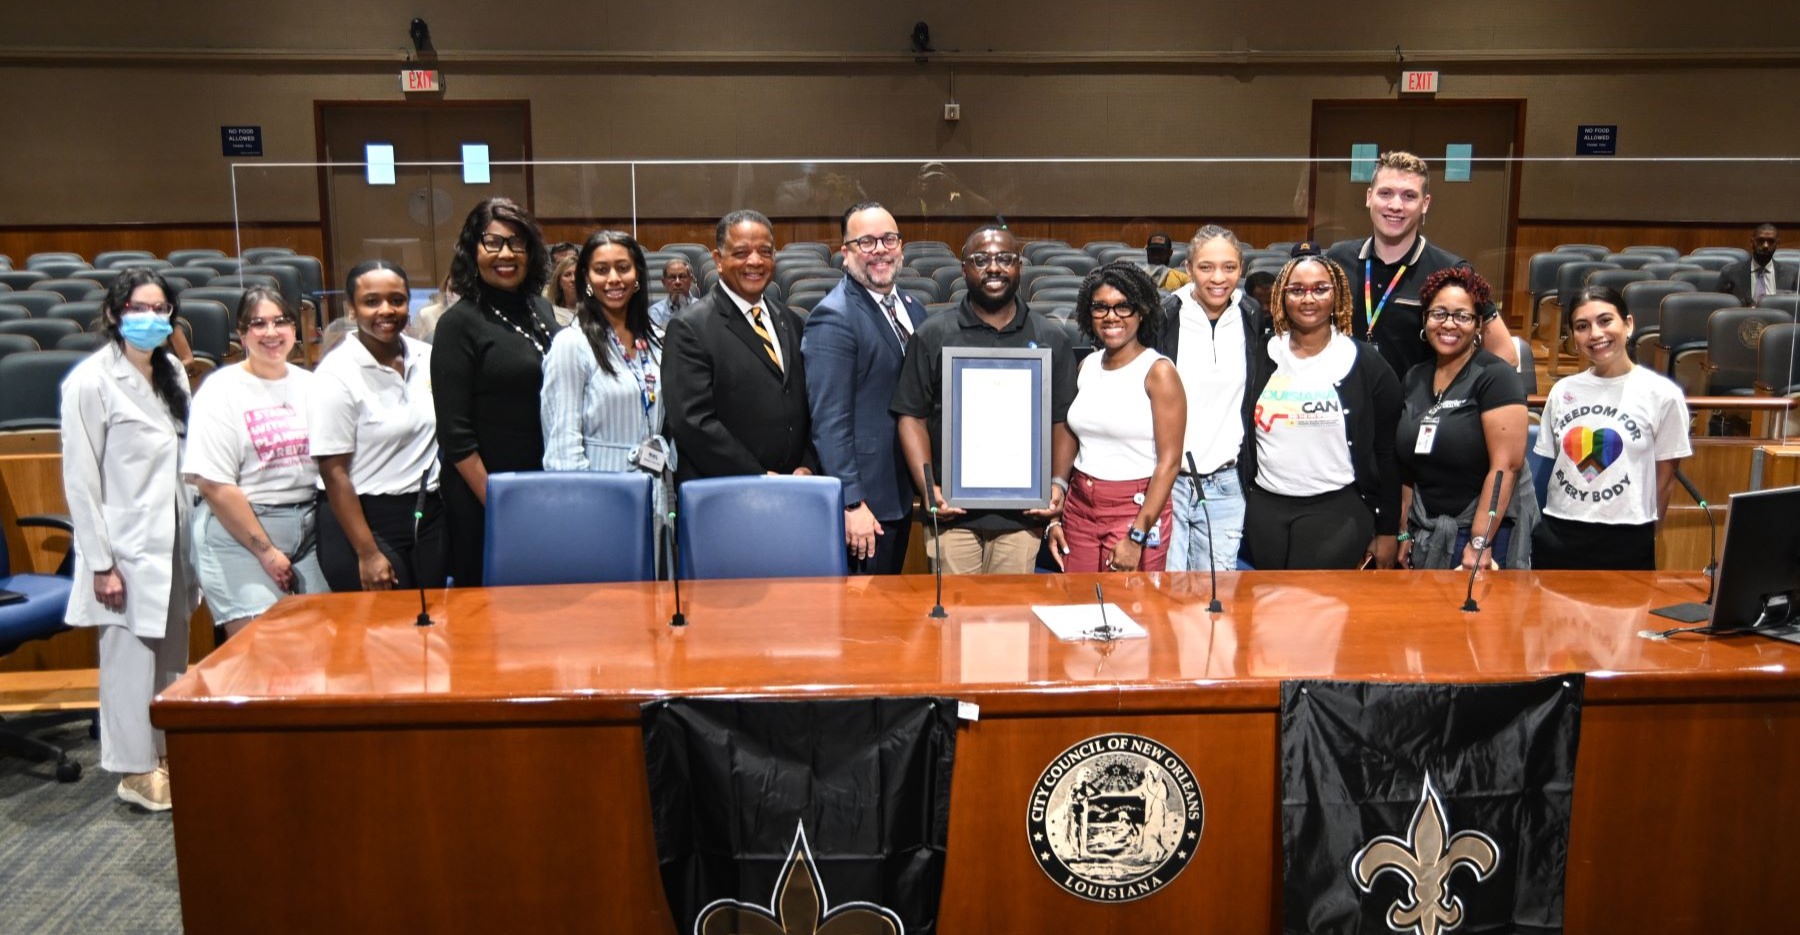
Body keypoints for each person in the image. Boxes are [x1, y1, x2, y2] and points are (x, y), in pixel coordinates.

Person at [60, 267, 198, 811]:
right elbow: (80, 478)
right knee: (128, 661)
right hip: (123, 548)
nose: (150, 318)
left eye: (160, 309)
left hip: (171, 538)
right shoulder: (90, 381)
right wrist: (100, 562)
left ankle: (163, 754)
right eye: (138, 308)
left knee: (170, 658)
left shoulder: (171, 373)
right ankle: (133, 769)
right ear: (116, 315)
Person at [891, 225, 1077, 575]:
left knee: (1009, 624)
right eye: (981, 259)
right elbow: (911, 416)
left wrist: (1057, 483)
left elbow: (1062, 418)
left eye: (1005, 259)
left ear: (1020, 266)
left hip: (1022, 517)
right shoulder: (933, 334)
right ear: (964, 269)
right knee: (955, 623)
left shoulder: (1050, 336)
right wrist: (928, 488)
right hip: (952, 514)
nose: (994, 267)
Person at [1241, 246, 1401, 570]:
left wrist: (1388, 530)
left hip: (1336, 511)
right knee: (1266, 613)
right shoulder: (1258, 354)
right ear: (1282, 296)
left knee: (1314, 614)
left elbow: (1386, 452)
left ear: (1337, 294)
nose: (1308, 299)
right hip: (1264, 510)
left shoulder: (1365, 362)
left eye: (1320, 289)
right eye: (1297, 290)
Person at [183, 286, 326, 639]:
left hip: (310, 530)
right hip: (241, 536)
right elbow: (214, 485)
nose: (271, 332)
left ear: (295, 329)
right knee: (265, 651)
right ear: (242, 334)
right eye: (258, 324)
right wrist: (267, 553)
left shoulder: (313, 385)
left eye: (280, 321)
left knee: (320, 645)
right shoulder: (220, 389)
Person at [432, 197, 560, 587]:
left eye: (516, 243)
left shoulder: (541, 309)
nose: (506, 254)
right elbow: (455, 438)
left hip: (542, 487)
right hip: (487, 499)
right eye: (492, 243)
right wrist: (502, 506)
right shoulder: (458, 324)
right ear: (473, 250)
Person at [803, 202, 927, 575]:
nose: (880, 250)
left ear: (900, 246)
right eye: (866, 242)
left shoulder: (913, 307)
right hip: (867, 505)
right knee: (865, 622)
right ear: (846, 252)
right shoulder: (833, 317)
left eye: (888, 239)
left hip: (902, 492)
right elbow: (829, 421)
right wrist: (852, 502)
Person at [1533, 285, 1692, 570]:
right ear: (1573, 337)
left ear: (1628, 324)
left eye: (1605, 321)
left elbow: (1665, 480)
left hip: (1628, 535)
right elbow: (1553, 466)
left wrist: (1646, 532)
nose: (1595, 334)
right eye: (1582, 326)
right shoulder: (1562, 391)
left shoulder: (1662, 394)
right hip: (1560, 531)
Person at [310, 261, 446, 592]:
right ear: (351, 310)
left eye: (396, 300)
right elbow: (333, 472)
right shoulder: (336, 374)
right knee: (382, 636)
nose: (386, 310)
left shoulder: (427, 357)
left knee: (433, 627)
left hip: (426, 513)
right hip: (365, 520)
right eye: (372, 301)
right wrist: (367, 553)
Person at [1326, 150, 1516, 376]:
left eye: (1409, 196)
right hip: (1345, 404)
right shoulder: (1337, 260)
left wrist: (1455, 399)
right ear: (1369, 197)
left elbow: (1506, 355)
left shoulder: (1452, 271)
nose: (1396, 205)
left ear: (1425, 204)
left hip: (1416, 408)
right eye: (1385, 193)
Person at [1395, 268, 1535, 570]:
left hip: (1480, 536)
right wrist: (1405, 530)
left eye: (1462, 316)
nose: (1449, 324)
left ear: (1479, 324)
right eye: (1439, 313)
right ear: (1425, 320)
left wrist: (1479, 543)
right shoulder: (1415, 377)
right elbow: (1408, 470)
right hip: (1425, 531)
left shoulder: (1496, 376)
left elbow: (1505, 468)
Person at [1048, 262, 1184, 573]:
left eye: (1124, 307)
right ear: (1088, 312)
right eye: (1101, 308)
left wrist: (1137, 536)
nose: (1112, 316)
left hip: (1135, 508)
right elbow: (1073, 436)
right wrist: (1056, 514)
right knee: (1077, 606)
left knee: (1131, 613)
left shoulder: (1159, 372)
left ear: (1141, 312)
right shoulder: (1088, 366)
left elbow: (1169, 463)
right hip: (1080, 506)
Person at [662, 209, 819, 480]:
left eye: (765, 251)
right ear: (718, 260)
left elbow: (803, 404)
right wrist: (758, 475)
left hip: (793, 485)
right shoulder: (689, 327)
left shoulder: (790, 320)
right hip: (725, 490)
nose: (755, 261)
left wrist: (807, 464)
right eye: (741, 253)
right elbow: (692, 423)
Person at [1153, 225, 1270, 573]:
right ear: (1188, 269)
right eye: (1206, 267)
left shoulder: (1250, 314)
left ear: (1241, 269)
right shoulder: (1165, 316)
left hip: (1226, 483)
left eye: (1229, 267)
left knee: (1215, 599)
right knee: (1165, 596)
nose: (1218, 278)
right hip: (1169, 484)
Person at [540, 231, 670, 508]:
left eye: (623, 268)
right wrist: (582, 508)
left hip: (653, 488)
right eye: (601, 270)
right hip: (598, 494)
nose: (613, 278)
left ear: (637, 276)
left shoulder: (655, 340)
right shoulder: (571, 344)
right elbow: (562, 445)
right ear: (586, 278)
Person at [1718, 223, 1796, 305]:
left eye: (1771, 241)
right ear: (1752, 242)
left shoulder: (1792, 275)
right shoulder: (1730, 273)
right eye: (1760, 241)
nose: (1765, 245)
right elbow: (1720, 305)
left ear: (1777, 243)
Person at [649, 257, 698, 328]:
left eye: (682, 276)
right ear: (664, 282)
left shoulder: (703, 309)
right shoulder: (655, 312)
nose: (677, 282)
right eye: (672, 277)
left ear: (690, 280)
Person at [545, 253, 579, 328]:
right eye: (567, 275)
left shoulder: (594, 308)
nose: (573, 279)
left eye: (577, 274)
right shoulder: (551, 313)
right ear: (559, 282)